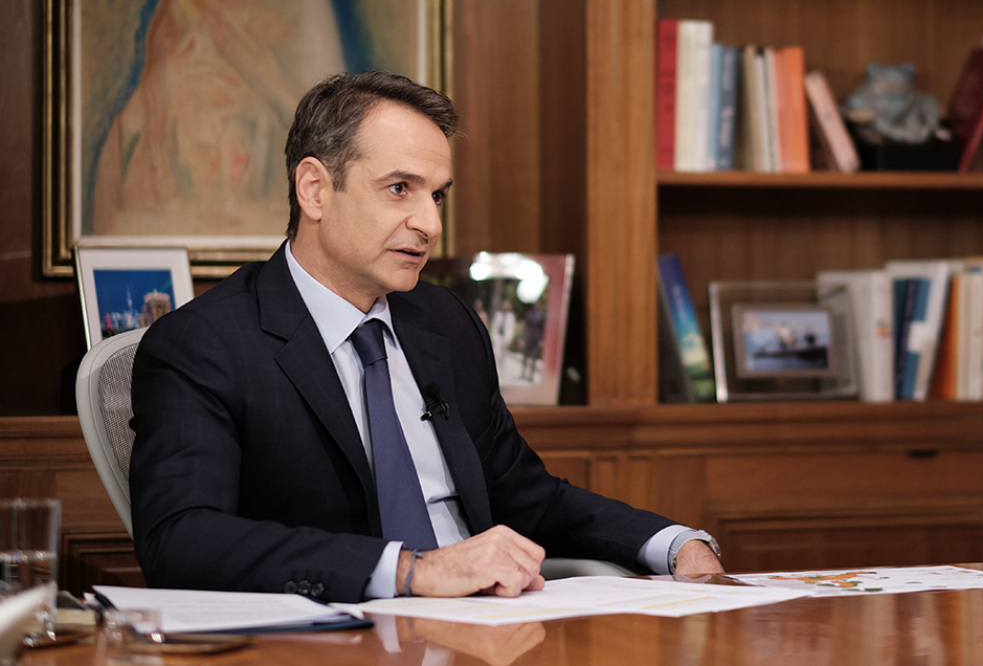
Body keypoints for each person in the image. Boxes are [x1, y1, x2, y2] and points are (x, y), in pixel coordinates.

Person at [129, 71, 723, 604]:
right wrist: (410, 571)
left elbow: (527, 497)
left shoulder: (445, 322)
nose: (430, 224)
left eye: (437, 194)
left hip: (490, 629)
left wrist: (672, 543)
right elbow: (181, 538)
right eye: (399, 189)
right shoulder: (206, 343)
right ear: (314, 189)